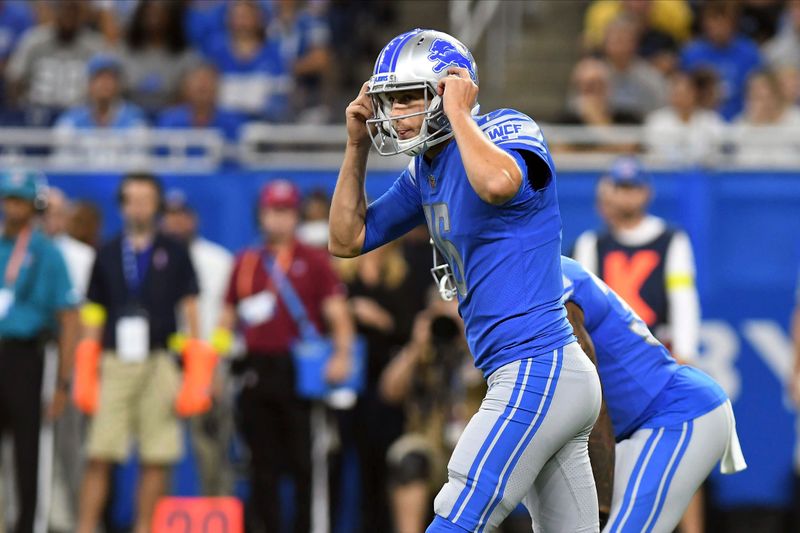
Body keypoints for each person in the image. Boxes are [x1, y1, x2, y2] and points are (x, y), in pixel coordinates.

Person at [328, 28, 606, 532]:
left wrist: (458, 114)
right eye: (390, 101)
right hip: (538, 372)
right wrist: (355, 147)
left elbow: (497, 183)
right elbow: (348, 237)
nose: (394, 114)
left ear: (450, 88)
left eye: (408, 98)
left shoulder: (506, 127)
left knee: (456, 518)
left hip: (535, 365)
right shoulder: (426, 169)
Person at [560, 256, 747, 533]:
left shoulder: (546, 281)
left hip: (675, 412)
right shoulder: (578, 250)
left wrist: (599, 499)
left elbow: (588, 384)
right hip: (634, 425)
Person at [217, 179, 354, 533]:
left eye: (285, 211)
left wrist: (342, 356)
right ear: (260, 215)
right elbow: (226, 319)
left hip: (300, 371)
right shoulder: (246, 262)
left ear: (295, 215)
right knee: (261, 465)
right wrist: (216, 364)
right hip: (256, 369)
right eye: (271, 212)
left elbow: (338, 315)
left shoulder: (314, 260)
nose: (278, 220)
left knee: (305, 464)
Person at [75, 172, 202, 533]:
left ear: (157, 204)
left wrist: (196, 370)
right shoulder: (107, 252)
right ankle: (86, 527)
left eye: (146, 199)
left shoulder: (176, 251)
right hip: (114, 360)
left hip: (160, 359)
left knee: (156, 455)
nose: (139, 206)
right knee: (99, 452)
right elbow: (94, 312)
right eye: (132, 198)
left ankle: (145, 527)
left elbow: (190, 309)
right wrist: (87, 365)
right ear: (122, 205)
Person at [0, 169, 79, 533]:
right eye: (8, 198)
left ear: (34, 206)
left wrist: (63, 382)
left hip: (26, 357)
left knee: (29, 451)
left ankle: (27, 525)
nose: (11, 206)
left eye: (19, 199)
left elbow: (68, 319)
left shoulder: (47, 253)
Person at [572, 157, 701, 363]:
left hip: (658, 352)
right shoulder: (590, 244)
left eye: (633, 188)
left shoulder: (671, 239)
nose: (626, 196)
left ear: (647, 192)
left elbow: (682, 296)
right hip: (607, 355)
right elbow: (582, 308)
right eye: (620, 188)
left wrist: (685, 350)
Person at [380, 291, 485, 533]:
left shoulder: (482, 348)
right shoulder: (425, 353)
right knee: (408, 459)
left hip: (476, 447)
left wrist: (469, 335)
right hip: (433, 447)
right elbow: (389, 391)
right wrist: (416, 346)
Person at [336, 242, 415, 532]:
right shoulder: (342, 279)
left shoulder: (399, 277)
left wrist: (380, 319)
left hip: (386, 386)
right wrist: (348, 312)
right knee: (340, 466)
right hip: (344, 386)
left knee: (383, 464)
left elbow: (410, 330)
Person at [5, 0, 105, 126]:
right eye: (64, 12)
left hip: (79, 115)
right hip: (38, 112)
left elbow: (106, 82)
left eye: (73, 13)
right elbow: (15, 76)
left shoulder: (95, 47)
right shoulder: (35, 40)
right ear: (55, 13)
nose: (69, 18)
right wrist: (19, 111)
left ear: (82, 16)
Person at [203, 0, 292, 122]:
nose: (242, 22)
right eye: (237, 16)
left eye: (246, 16)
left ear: (259, 18)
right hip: (222, 124)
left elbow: (282, 91)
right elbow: (207, 89)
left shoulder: (274, 53)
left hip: (264, 123)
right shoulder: (216, 50)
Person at [680, 0, 763, 121]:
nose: (718, 27)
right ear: (704, 22)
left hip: (742, 123)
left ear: (734, 23)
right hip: (700, 124)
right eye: (713, 20)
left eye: (723, 20)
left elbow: (758, 92)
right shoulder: (691, 54)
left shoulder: (750, 53)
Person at [120, 0, 198, 118]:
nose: (154, 19)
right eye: (149, 14)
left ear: (171, 18)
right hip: (131, 118)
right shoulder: (124, 51)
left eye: (160, 14)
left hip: (171, 119)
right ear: (140, 17)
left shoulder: (185, 55)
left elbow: (188, 92)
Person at [643, 71, 726, 166]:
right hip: (666, 174)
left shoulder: (711, 120)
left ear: (695, 93)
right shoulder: (657, 120)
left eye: (685, 93)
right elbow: (651, 152)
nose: (681, 98)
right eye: (677, 93)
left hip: (703, 174)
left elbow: (720, 150)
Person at [155, 62, 245, 142]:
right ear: (185, 88)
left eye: (208, 80)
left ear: (218, 88)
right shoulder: (169, 121)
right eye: (197, 80)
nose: (203, 84)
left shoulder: (233, 123)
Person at [601, 15, 667, 119]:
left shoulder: (651, 77)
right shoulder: (593, 76)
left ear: (635, 43)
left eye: (623, 40)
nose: (619, 46)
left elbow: (662, 113)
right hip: (601, 132)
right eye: (614, 40)